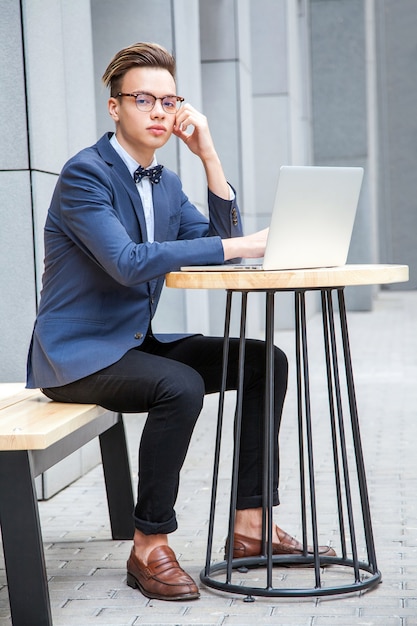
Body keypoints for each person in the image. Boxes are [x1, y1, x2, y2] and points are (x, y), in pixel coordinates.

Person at [26, 42, 335, 602]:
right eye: (144, 99)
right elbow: (125, 264)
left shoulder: (165, 182)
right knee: (181, 384)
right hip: (75, 356)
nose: (160, 112)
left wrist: (209, 157)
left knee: (264, 360)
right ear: (115, 107)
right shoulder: (85, 174)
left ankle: (252, 527)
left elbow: (220, 241)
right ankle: (149, 543)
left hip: (133, 344)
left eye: (169, 101)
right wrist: (237, 242)